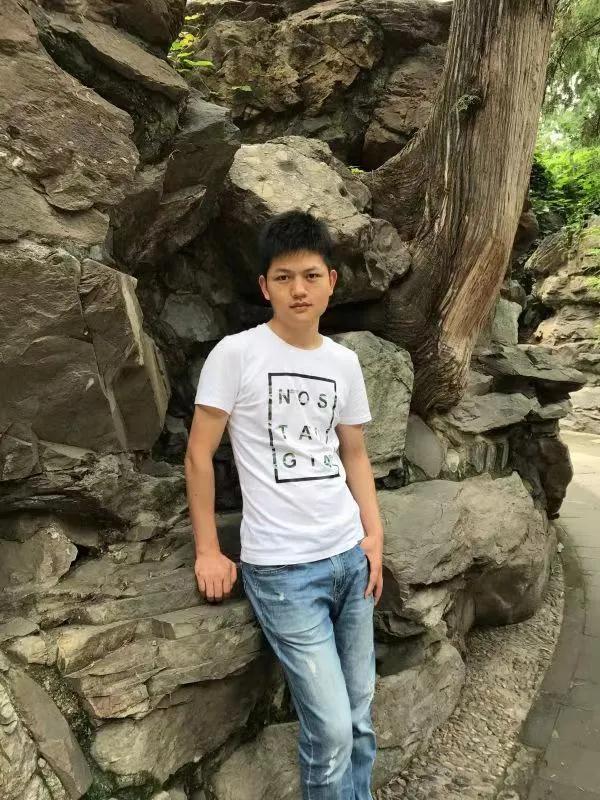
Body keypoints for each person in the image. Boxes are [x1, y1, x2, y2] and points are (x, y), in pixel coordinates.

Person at [184, 209, 384, 800]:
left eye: (311, 275)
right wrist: (208, 550)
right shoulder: (237, 354)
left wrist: (374, 537)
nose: (299, 288)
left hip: (349, 557)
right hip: (282, 571)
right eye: (284, 276)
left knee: (360, 719)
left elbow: (355, 455)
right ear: (265, 286)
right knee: (331, 729)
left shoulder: (343, 363)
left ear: (332, 282)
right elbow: (198, 456)